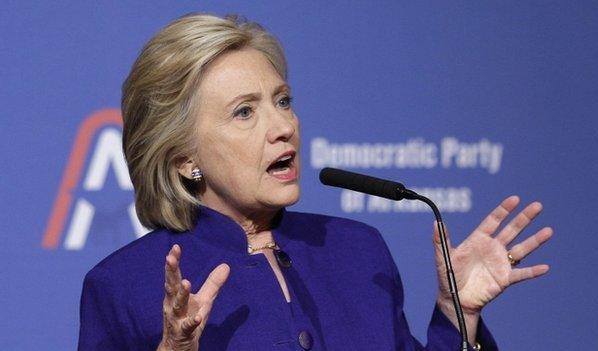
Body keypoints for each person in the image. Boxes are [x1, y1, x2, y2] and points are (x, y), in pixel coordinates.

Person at [78, 13, 553, 351]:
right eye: (244, 112)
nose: (283, 126)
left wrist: (458, 314)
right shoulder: (124, 286)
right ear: (184, 158)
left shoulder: (357, 251)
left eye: (282, 101)